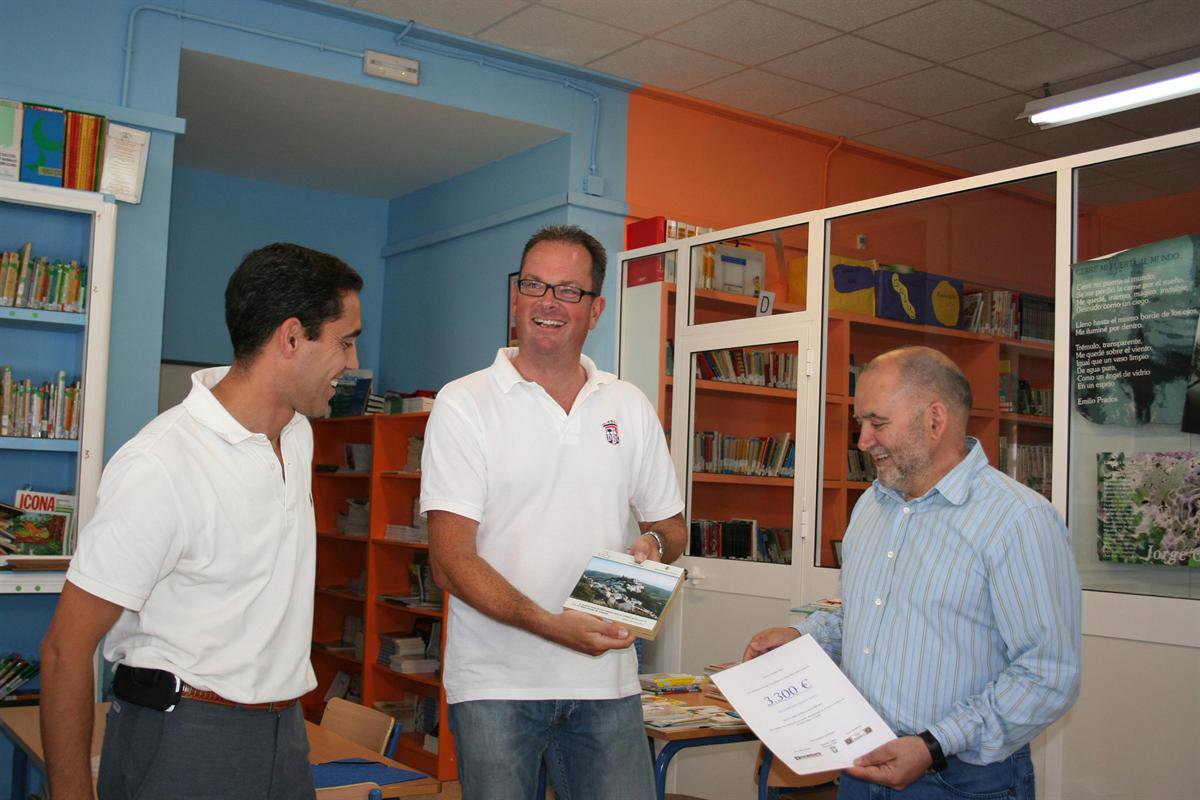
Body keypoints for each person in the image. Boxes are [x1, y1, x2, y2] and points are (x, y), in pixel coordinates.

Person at [39, 243, 364, 800]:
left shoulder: (297, 434)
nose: (353, 362)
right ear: (291, 338)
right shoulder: (160, 465)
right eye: (345, 341)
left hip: (285, 732)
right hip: (183, 735)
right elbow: (65, 650)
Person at [743, 346, 1080, 799]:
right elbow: (863, 616)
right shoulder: (872, 505)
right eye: (861, 423)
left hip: (960, 779)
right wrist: (802, 638)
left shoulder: (1017, 520)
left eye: (877, 423)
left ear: (935, 420)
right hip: (862, 762)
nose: (863, 441)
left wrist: (933, 745)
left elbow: (1047, 674)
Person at [420, 224, 686, 800]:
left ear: (596, 310)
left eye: (568, 291)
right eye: (534, 285)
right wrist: (551, 625)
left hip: (607, 682)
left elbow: (670, 526)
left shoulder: (628, 404)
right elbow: (449, 561)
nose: (547, 302)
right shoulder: (464, 403)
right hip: (495, 686)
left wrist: (655, 548)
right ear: (515, 297)